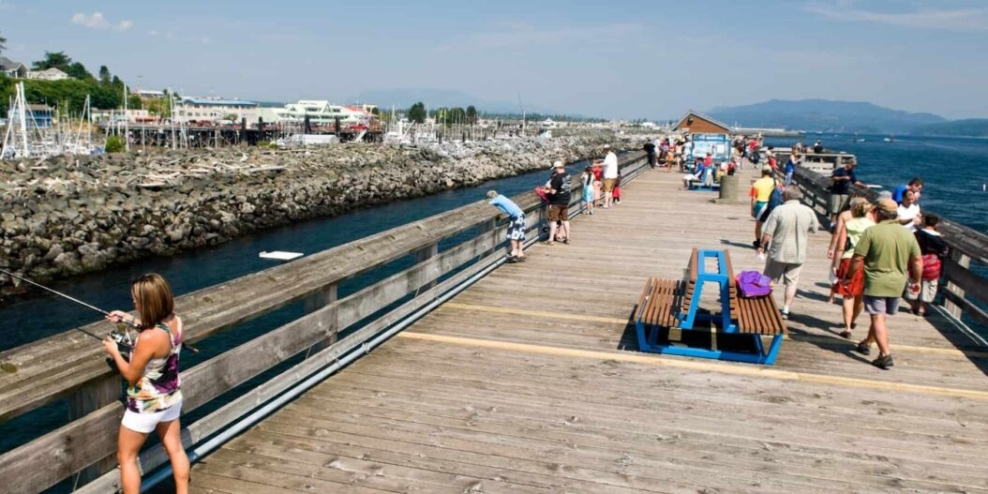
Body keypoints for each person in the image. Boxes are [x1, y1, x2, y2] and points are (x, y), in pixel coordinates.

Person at [103, 274, 189, 494]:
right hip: (171, 398)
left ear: (148, 302)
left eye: (136, 300)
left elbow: (132, 375)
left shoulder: (149, 337)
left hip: (146, 405)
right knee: (176, 449)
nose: (133, 303)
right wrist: (127, 319)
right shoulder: (175, 320)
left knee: (127, 458)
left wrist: (114, 351)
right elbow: (157, 330)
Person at [849, 199, 922, 370]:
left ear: (879, 213)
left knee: (877, 316)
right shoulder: (907, 234)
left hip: (876, 281)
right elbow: (917, 260)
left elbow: (858, 258)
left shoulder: (872, 232)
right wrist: (917, 281)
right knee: (880, 316)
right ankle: (867, 342)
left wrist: (848, 276)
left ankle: (885, 354)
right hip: (897, 283)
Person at [757, 185, 820, 320]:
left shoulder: (779, 210)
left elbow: (768, 232)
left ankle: (761, 304)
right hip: (798, 252)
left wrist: (762, 245)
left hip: (779, 251)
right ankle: (785, 309)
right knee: (792, 282)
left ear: (786, 196)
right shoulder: (808, 211)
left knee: (768, 278)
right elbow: (815, 228)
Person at [831, 200, 875, 338]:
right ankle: (853, 320)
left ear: (854, 211)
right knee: (860, 295)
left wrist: (835, 264)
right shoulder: (873, 226)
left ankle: (847, 327)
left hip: (848, 259)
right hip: (866, 261)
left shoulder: (848, 224)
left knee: (848, 294)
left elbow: (841, 246)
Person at [906, 213, 949, 316]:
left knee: (914, 281)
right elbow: (944, 252)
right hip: (932, 264)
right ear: (936, 224)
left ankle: (912, 306)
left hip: (917, 261)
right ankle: (921, 308)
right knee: (928, 284)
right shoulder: (940, 239)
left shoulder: (916, 234)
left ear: (924, 222)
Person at [487, 190, 527, 262]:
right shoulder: (501, 196)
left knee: (513, 235)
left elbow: (488, 204)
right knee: (520, 235)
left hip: (516, 216)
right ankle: (520, 253)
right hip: (521, 214)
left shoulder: (496, 200)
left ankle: (514, 252)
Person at [828, 159, 865, 227]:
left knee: (842, 210)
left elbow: (854, 181)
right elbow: (833, 178)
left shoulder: (851, 172)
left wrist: (862, 185)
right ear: (848, 164)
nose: (853, 167)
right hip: (836, 192)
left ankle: (839, 223)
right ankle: (832, 223)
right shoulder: (840, 170)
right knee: (835, 210)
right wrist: (843, 178)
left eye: (854, 166)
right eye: (852, 165)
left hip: (845, 193)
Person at [545, 160, 572, 244]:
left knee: (553, 220)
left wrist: (547, 189)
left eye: (555, 169)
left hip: (556, 201)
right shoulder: (568, 176)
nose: (554, 170)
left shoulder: (557, 178)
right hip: (566, 200)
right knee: (565, 220)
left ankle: (551, 239)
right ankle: (567, 238)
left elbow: (553, 192)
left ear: (557, 168)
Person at [750, 166, 776, 248]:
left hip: (760, 204)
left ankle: (758, 241)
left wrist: (752, 209)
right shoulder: (775, 182)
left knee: (759, 225)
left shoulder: (757, 183)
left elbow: (753, 198)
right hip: (772, 204)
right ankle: (766, 241)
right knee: (770, 225)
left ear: (762, 172)